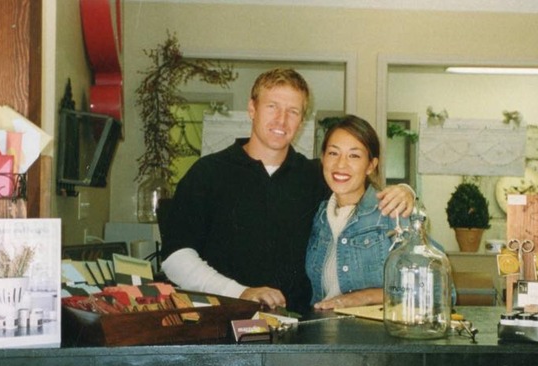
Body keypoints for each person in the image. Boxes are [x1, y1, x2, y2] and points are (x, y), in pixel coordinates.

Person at [159, 68, 414, 314]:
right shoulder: (208, 173)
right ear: (252, 109)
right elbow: (176, 257)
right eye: (272, 107)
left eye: (292, 111)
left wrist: (405, 192)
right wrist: (239, 292)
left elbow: (362, 192)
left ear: (302, 120)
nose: (281, 120)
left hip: (298, 334)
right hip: (223, 328)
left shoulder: (316, 176)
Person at [306, 115, 453, 310]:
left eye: (354, 155)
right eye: (333, 153)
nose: (341, 164)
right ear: (323, 158)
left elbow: (441, 291)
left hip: (376, 337)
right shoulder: (319, 216)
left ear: (371, 165)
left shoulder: (392, 213)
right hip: (325, 334)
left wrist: (363, 297)